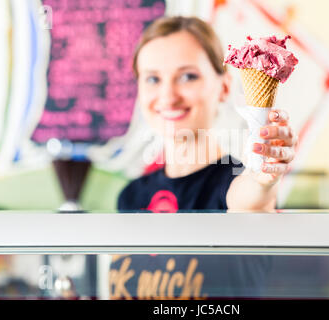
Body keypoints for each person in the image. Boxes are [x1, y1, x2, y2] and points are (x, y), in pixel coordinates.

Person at [110, 16, 297, 299]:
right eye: (152, 79)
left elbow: (250, 200)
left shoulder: (234, 180)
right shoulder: (131, 197)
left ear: (223, 87)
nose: (167, 96)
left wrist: (263, 175)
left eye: (188, 76)